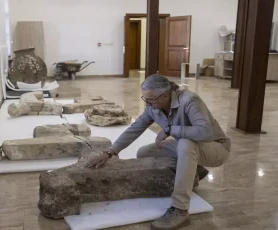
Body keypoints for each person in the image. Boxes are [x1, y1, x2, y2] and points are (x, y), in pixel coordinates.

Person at [85, 74, 230, 230]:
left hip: (216, 147)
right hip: (188, 146)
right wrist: (110, 152)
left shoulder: (190, 101)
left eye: (150, 99)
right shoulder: (154, 107)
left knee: (186, 145)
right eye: (145, 98)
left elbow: (205, 133)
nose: (147, 103)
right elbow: (135, 128)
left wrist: (169, 129)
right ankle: (194, 169)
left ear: (166, 95)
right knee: (144, 152)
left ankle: (180, 209)